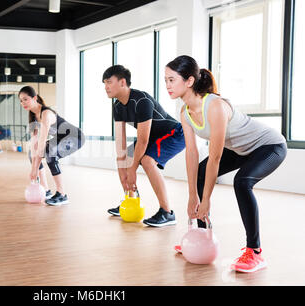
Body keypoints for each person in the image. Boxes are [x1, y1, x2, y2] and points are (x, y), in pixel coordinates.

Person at [166, 55, 287, 272]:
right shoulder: (185, 112)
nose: (167, 85)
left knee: (242, 182)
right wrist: (193, 195)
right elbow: (191, 153)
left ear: (189, 81)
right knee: (201, 171)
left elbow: (215, 157)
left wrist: (206, 199)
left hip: (270, 146)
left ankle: (255, 252)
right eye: (166, 80)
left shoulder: (214, 106)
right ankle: (201, 237)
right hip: (241, 150)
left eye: (172, 80)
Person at [103, 65, 185, 227]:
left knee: (147, 161)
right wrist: (123, 168)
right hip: (152, 136)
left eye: (109, 82)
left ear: (122, 82)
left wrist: (132, 170)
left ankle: (167, 212)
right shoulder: (117, 107)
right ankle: (130, 201)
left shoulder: (141, 100)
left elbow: (143, 140)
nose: (106, 87)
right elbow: (120, 144)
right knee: (123, 160)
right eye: (104, 83)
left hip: (174, 134)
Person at [19, 86, 85, 206]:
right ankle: (46, 190)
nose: (23, 103)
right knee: (31, 152)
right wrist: (33, 167)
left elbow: (42, 142)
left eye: (25, 99)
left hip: (75, 137)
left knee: (50, 153)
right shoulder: (33, 117)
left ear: (34, 98)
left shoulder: (46, 113)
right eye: (21, 100)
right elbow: (35, 145)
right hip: (60, 139)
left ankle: (62, 194)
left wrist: (34, 169)